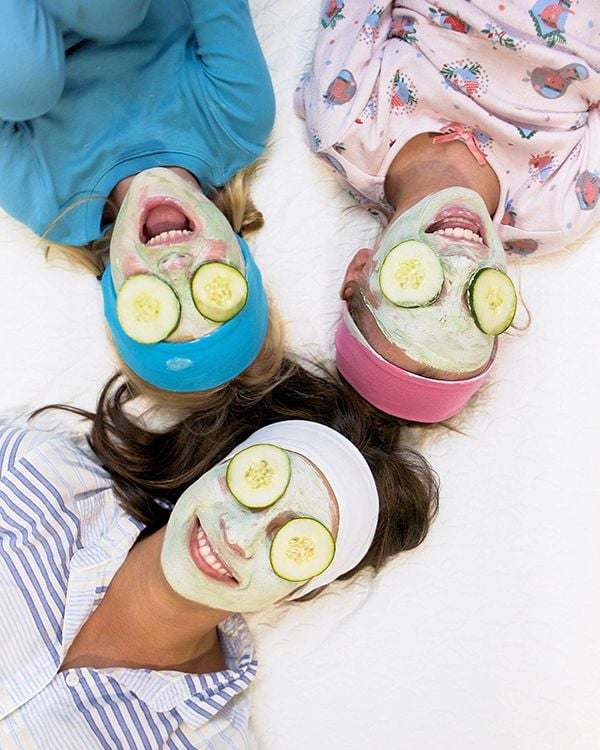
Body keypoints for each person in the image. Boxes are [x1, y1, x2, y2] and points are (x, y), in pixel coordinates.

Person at [0, 375, 438, 746]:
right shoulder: (30, 473)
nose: (240, 536)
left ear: (299, 590)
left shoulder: (207, 740)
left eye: (292, 544)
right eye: (255, 482)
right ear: (217, 466)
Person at [296, 0, 600, 422]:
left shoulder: (346, 128)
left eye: (416, 289)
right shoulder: (555, 212)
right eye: (473, 308)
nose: (459, 262)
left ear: (360, 269)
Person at [0, 0, 279, 405]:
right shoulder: (236, 123)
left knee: (25, 85)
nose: (176, 268)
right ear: (241, 253)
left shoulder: (51, 202)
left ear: (113, 287)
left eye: (152, 303)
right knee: (114, 13)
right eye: (212, 287)